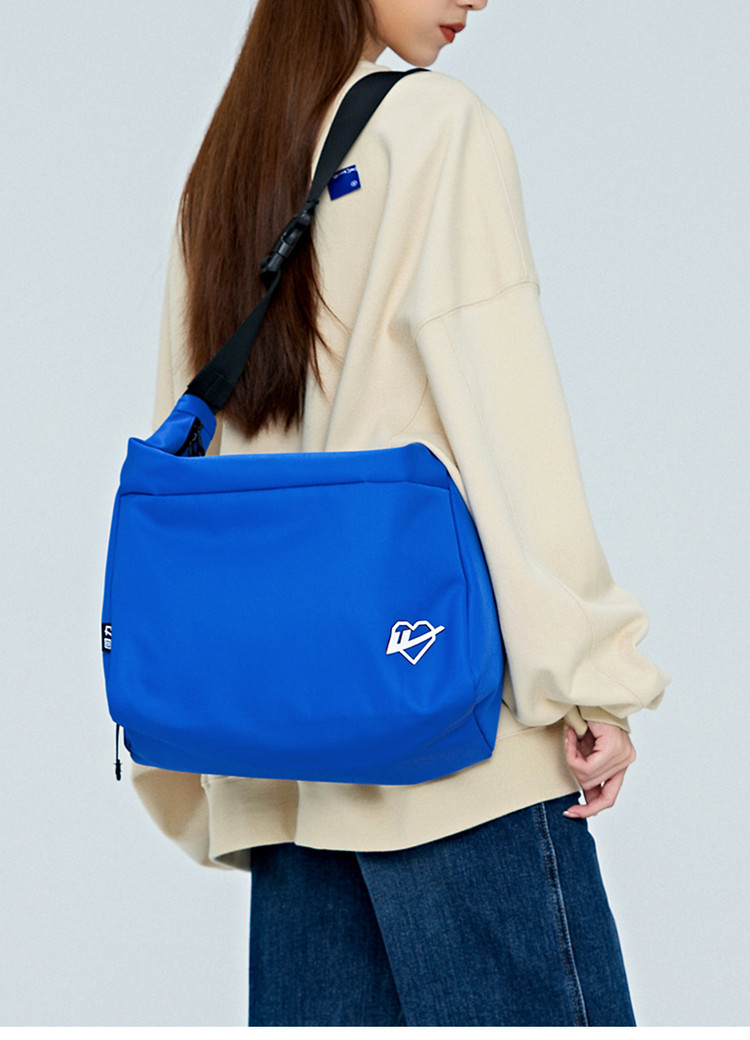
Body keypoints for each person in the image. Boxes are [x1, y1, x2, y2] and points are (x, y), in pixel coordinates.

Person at [132, 0, 669, 1026]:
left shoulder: (227, 173)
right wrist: (588, 677)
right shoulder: (434, 127)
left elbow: (188, 465)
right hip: (445, 734)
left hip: (287, 763)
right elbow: (505, 422)